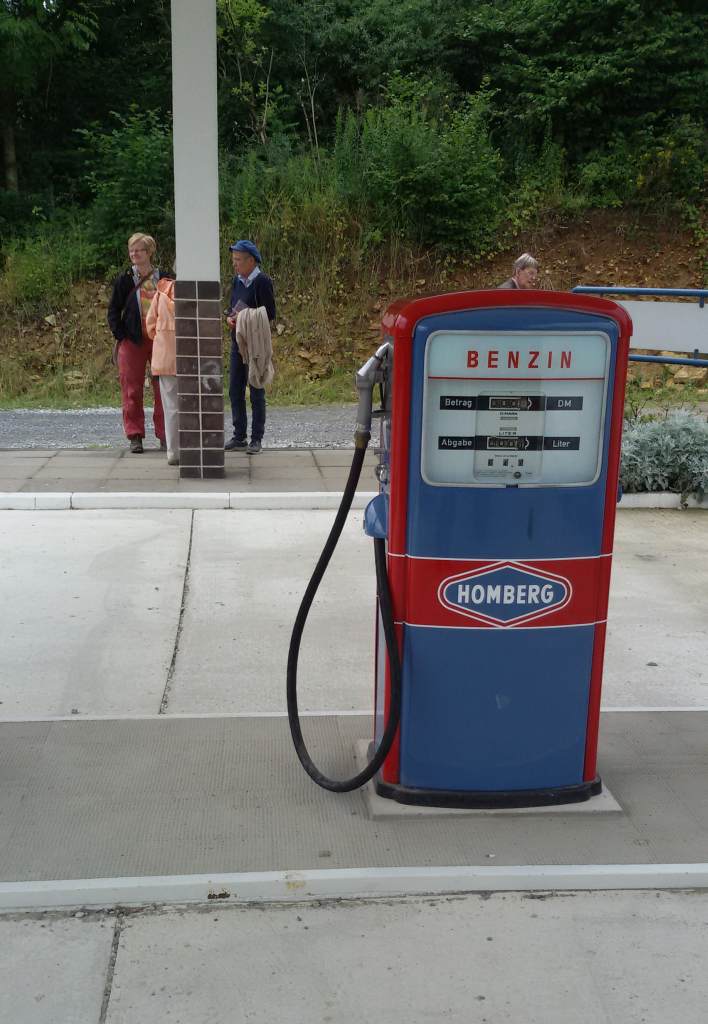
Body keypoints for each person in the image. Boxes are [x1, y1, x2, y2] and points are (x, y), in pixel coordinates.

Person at [107, 233, 172, 454]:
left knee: (163, 388)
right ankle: (135, 436)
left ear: (149, 252)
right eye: (131, 250)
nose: (134, 254)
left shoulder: (164, 277)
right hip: (132, 340)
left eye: (138, 250)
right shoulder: (124, 279)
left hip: (160, 340)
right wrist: (121, 334)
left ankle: (165, 435)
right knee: (131, 389)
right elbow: (113, 310)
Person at [224, 239, 276, 455]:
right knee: (234, 389)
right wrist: (229, 317)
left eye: (238, 260)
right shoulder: (236, 281)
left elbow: (270, 313)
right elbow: (231, 306)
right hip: (237, 342)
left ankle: (256, 439)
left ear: (251, 261)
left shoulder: (262, 281)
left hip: (255, 344)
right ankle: (239, 436)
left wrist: (244, 317)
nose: (234, 264)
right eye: (234, 260)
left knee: (256, 388)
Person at [145, 277, 179, 465]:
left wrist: (162, 339)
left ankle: (173, 452)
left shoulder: (160, 293)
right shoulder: (193, 293)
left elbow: (150, 325)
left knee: (171, 408)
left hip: (165, 358)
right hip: (188, 358)